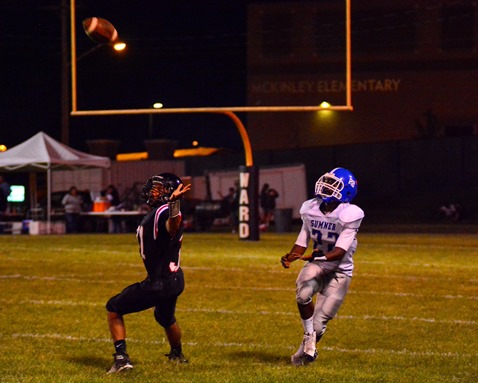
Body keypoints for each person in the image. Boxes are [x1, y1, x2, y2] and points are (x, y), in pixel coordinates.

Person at [105, 173, 191, 374]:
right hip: (175, 279)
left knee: (113, 308)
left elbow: (173, 225)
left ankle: (121, 359)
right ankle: (177, 355)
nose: (153, 191)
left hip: (159, 283)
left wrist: (174, 204)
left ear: (169, 193)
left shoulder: (165, 212)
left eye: (159, 189)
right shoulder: (162, 210)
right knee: (165, 317)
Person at [280, 167, 364, 366]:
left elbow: (340, 251)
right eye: (326, 181)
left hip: (339, 271)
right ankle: (309, 339)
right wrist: (292, 256)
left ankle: (304, 352)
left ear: (347, 191)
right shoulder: (310, 208)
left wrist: (319, 256)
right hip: (318, 264)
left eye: (333, 184)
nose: (326, 186)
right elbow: (303, 239)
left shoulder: (350, 214)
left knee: (318, 325)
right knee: (302, 295)